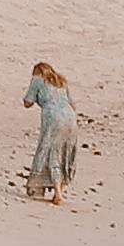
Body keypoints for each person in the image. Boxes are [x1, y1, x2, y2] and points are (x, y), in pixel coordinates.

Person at [22, 61, 80, 204]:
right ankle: (61, 186)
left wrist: (37, 99)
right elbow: (72, 104)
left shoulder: (37, 80)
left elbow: (27, 102)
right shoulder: (61, 81)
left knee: (49, 150)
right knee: (65, 151)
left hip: (53, 117)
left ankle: (54, 192)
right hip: (70, 117)